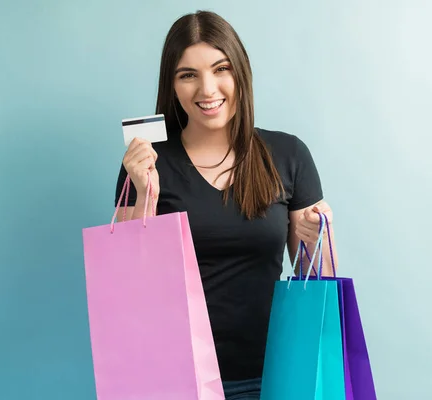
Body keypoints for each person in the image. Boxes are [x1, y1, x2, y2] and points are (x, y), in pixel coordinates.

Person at [116, 10, 339, 400]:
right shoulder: (149, 162)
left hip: (276, 377)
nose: (207, 89)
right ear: (172, 84)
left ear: (240, 72)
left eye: (220, 69)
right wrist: (144, 197)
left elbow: (316, 285)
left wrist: (317, 238)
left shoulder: (288, 154)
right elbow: (128, 287)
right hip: (175, 380)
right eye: (188, 74)